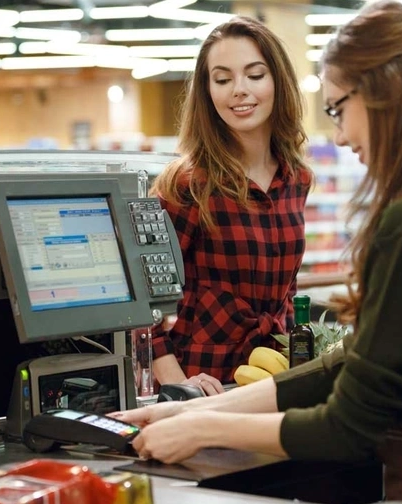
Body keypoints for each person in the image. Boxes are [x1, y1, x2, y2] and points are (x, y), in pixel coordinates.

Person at [113, 2, 402, 502]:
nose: (342, 134)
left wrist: (203, 430)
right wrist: (190, 408)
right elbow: (357, 362)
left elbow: (349, 424)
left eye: (339, 109)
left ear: (387, 95)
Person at [148, 16, 313, 395]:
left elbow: (284, 291)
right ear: (207, 92)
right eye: (222, 80)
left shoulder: (296, 179)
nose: (239, 90)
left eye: (255, 75)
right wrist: (179, 386)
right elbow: (145, 304)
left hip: (271, 378)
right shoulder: (188, 184)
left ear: (278, 82)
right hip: (204, 383)